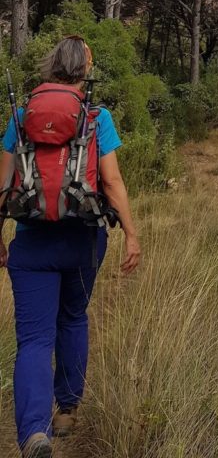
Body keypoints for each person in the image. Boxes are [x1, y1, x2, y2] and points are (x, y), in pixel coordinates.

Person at [0, 36, 141, 458]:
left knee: (35, 339)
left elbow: (4, 182)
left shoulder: (21, 114)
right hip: (83, 240)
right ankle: (66, 411)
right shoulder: (97, 116)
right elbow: (112, 182)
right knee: (74, 318)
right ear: (86, 68)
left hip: (31, 243)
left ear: (52, 66)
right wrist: (132, 233)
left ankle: (33, 434)